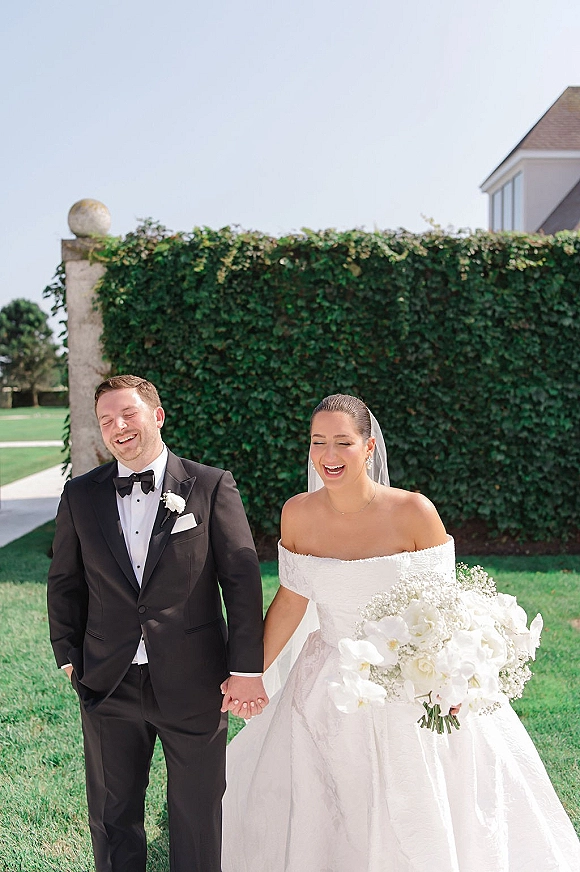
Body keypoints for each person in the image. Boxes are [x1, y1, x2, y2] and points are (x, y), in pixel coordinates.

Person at [222, 393, 580, 872]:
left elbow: (446, 608)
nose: (329, 456)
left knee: (417, 792)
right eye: (318, 442)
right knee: (331, 794)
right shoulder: (298, 514)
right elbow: (291, 600)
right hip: (327, 682)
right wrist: (250, 673)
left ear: (369, 448)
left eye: (343, 443)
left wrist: (455, 683)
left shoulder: (414, 512)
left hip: (410, 680)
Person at [47, 374, 267, 872]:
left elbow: (241, 580)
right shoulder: (81, 495)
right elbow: (64, 579)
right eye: (106, 420)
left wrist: (246, 667)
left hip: (195, 679)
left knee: (196, 812)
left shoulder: (210, 485)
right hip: (108, 680)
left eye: (128, 414)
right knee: (112, 814)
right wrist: (67, 655)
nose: (118, 427)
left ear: (157, 416)